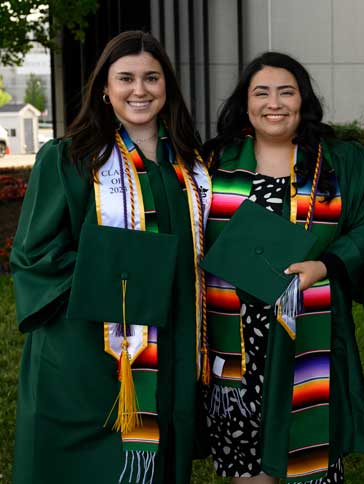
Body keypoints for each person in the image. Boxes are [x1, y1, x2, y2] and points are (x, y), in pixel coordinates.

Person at [11, 31, 211, 484]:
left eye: (152, 78)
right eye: (126, 78)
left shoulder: (189, 166)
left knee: (157, 459)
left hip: (170, 345)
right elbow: (35, 256)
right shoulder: (72, 158)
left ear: (167, 87)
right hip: (87, 350)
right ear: (105, 87)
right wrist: (119, 284)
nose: (139, 90)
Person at [201, 51, 364, 483]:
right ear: (245, 102)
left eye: (286, 91)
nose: (273, 103)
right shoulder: (214, 162)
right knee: (248, 469)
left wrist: (326, 265)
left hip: (305, 329)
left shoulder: (336, 162)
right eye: (261, 92)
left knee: (309, 456)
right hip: (236, 337)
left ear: (303, 100)